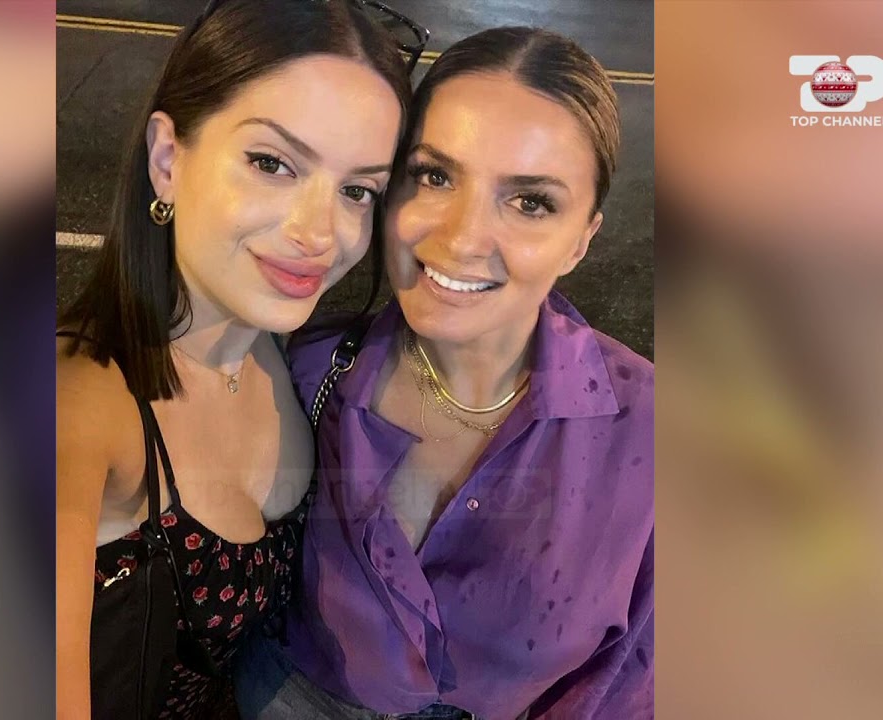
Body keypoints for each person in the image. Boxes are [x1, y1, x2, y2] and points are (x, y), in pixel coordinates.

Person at [235, 26, 654, 720]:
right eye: (435, 176)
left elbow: (632, 679)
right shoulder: (302, 370)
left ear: (581, 240)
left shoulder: (655, 434)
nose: (460, 238)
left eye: (530, 202)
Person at [55, 1, 418, 717]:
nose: (321, 233)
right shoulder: (78, 405)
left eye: (357, 190)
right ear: (167, 160)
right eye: (271, 163)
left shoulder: (284, 351)